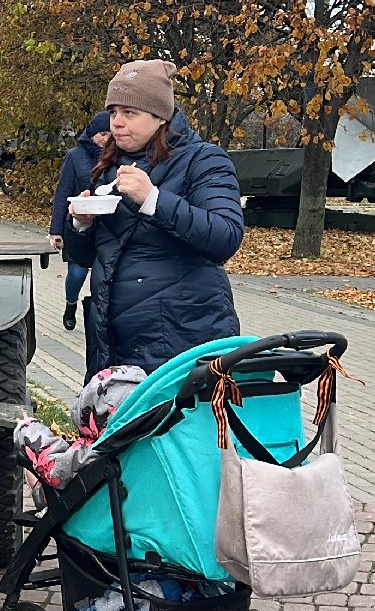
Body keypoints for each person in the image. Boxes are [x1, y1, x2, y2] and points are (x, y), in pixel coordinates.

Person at [63, 59, 244, 380]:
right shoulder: (109, 166)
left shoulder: (204, 160)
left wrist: (153, 200)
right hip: (112, 339)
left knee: (177, 430)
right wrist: (81, 224)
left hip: (183, 337)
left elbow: (225, 237)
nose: (116, 122)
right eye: (114, 112)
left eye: (129, 113)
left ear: (160, 116)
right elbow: (82, 257)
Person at [13, 365, 147, 490]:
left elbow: (55, 471)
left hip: (87, 503)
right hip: (130, 492)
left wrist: (28, 429)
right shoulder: (147, 433)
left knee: (35, 464)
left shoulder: (98, 450)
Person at [49, 112, 111, 331]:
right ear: (93, 133)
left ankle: (97, 317)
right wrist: (55, 230)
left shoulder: (118, 156)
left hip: (107, 228)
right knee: (77, 274)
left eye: (110, 134)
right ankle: (70, 303)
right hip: (78, 226)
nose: (106, 139)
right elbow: (63, 191)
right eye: (103, 134)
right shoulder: (75, 156)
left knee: (104, 277)